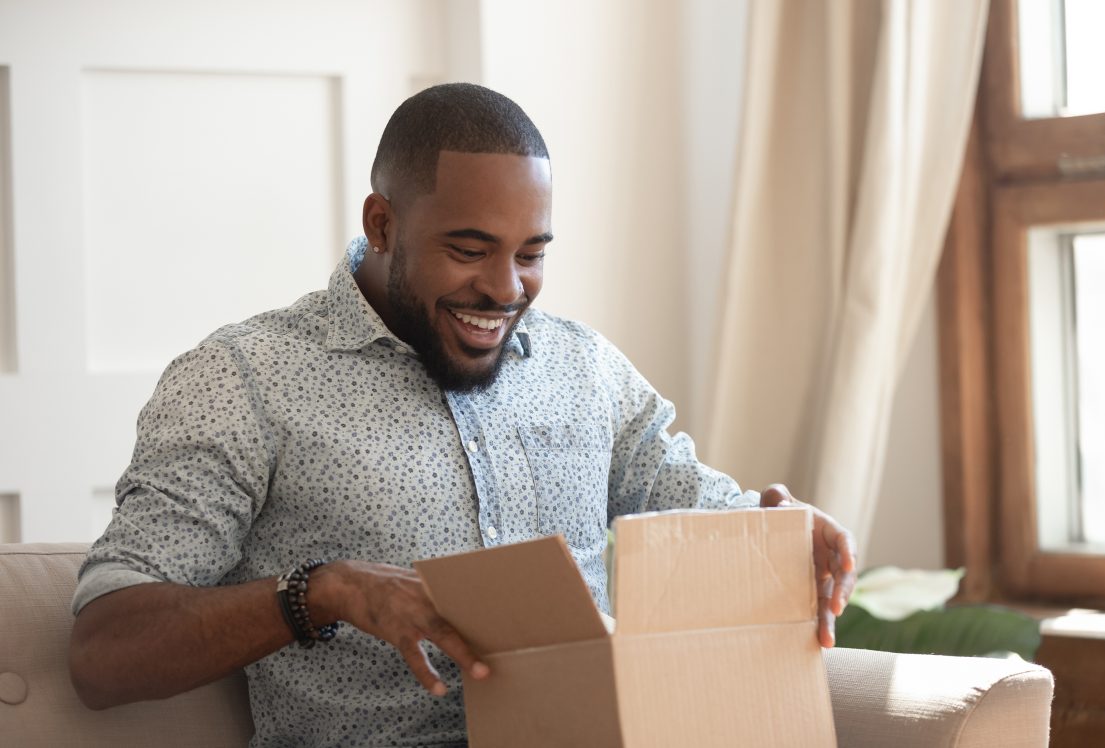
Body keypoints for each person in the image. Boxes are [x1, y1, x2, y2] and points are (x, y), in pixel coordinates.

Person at [69, 83, 856, 747]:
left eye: (532, 253)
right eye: (471, 248)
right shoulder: (246, 380)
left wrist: (776, 530)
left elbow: (702, 509)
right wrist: (323, 592)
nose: (507, 288)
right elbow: (106, 654)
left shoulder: (585, 370)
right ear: (383, 225)